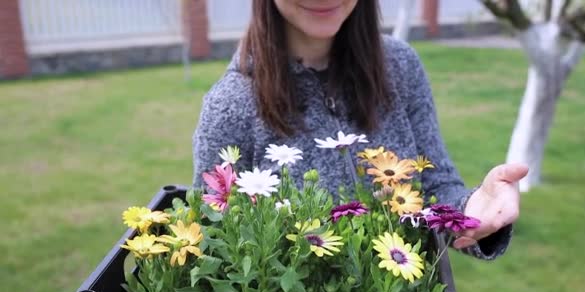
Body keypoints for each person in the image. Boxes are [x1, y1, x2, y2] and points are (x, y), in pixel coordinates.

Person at [192, 0, 529, 260]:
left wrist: (472, 212)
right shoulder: (230, 105)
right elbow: (215, 241)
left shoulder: (400, 68)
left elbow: (434, 188)